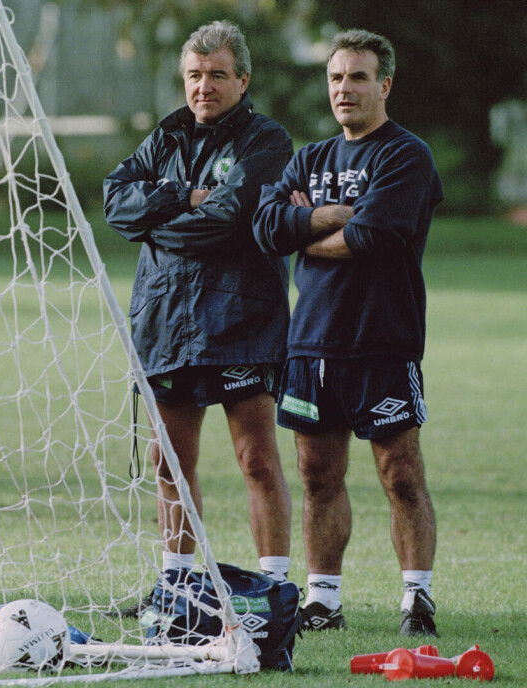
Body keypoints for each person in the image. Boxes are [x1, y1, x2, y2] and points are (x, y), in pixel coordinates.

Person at [253, 29, 444, 637]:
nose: (345, 89)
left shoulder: (404, 156)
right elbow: (264, 227)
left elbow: (378, 237)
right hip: (311, 344)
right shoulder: (309, 158)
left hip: (382, 341)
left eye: (358, 77)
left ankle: (417, 599)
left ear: (383, 85)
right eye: (336, 78)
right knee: (316, 475)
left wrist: (303, 230)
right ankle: (324, 600)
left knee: (402, 475)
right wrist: (328, 217)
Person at [103, 20, 294, 617]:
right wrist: (183, 197)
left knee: (256, 458)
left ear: (242, 79)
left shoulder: (266, 140)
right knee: (169, 463)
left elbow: (231, 217)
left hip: (241, 319)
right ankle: (176, 583)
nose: (203, 86)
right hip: (166, 318)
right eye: (194, 75)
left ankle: (274, 589)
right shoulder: (167, 136)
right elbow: (115, 200)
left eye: (216, 75)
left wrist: (157, 222)